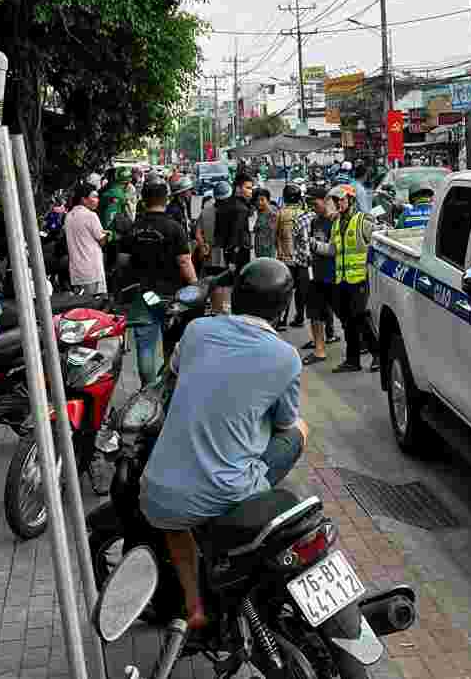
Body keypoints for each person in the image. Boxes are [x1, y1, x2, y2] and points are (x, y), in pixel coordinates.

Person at [141, 257, 306, 632]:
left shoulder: (197, 330)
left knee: (174, 525)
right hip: (228, 494)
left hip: (161, 494)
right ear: (283, 307)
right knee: (301, 427)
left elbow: (176, 373)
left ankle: (194, 606)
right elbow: (284, 423)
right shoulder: (286, 357)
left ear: (236, 296)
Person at [123, 178, 198, 382]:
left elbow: (122, 262)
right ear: (166, 199)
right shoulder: (174, 228)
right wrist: (195, 286)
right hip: (170, 295)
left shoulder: (133, 228)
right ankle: (168, 385)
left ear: (143, 199)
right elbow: (184, 261)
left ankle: (147, 388)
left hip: (143, 294)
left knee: (145, 346)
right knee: (172, 343)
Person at [329, 185, 379, 373]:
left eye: (341, 199)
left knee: (360, 317)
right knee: (348, 321)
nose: (338, 203)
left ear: (350, 200)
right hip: (342, 279)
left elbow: (376, 242)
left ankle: (378, 355)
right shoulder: (336, 223)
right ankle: (352, 361)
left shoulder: (362, 220)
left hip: (359, 278)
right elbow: (334, 249)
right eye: (336, 200)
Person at [303, 184, 342, 362]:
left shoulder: (337, 221)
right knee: (315, 313)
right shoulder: (315, 221)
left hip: (336, 275)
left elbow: (335, 249)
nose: (313, 207)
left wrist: (315, 245)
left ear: (326, 201)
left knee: (349, 315)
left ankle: (368, 348)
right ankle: (319, 350)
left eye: (315, 203)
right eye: (310, 204)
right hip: (317, 274)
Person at [275, 184, 312, 329]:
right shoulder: (306, 214)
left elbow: (276, 235)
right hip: (302, 259)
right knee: (301, 291)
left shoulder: (280, 213)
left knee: (286, 290)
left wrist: (279, 251)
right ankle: (300, 317)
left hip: (286, 258)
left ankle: (282, 320)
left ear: (284, 198)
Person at [65, 186, 110, 295]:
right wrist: (109, 235)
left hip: (76, 271)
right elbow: (102, 241)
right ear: (84, 199)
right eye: (94, 197)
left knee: (81, 301)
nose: (97, 200)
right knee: (95, 301)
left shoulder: (69, 216)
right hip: (92, 270)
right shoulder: (91, 216)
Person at [215, 173, 255, 272]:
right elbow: (236, 235)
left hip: (226, 251)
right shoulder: (241, 209)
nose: (251, 191)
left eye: (251, 188)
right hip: (238, 254)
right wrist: (233, 259)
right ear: (238, 188)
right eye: (248, 188)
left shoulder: (226, 203)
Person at [251, 186, 278, 263]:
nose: (259, 202)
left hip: (268, 250)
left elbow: (273, 234)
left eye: (262, 200)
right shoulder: (259, 212)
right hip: (260, 248)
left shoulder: (272, 213)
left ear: (268, 200)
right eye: (257, 200)